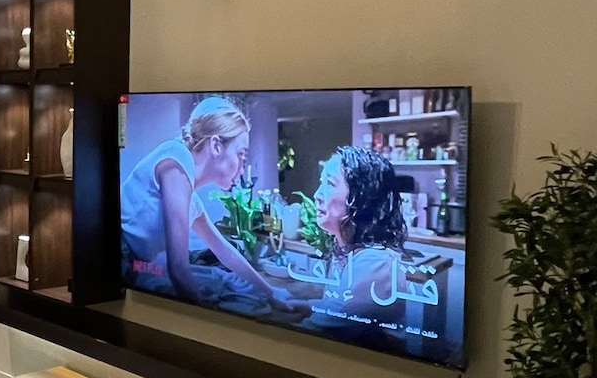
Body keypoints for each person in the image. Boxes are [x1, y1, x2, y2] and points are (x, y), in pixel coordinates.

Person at [121, 96, 292, 308]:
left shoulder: (189, 197)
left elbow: (226, 252)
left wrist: (271, 291)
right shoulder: (176, 158)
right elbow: (178, 269)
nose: (242, 166)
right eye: (241, 154)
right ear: (216, 146)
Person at [311, 144, 411, 321]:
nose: (317, 195)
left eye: (330, 183)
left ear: (361, 197)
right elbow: (334, 307)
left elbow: (325, 328)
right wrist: (301, 306)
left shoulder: (375, 262)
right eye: (321, 183)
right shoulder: (344, 248)